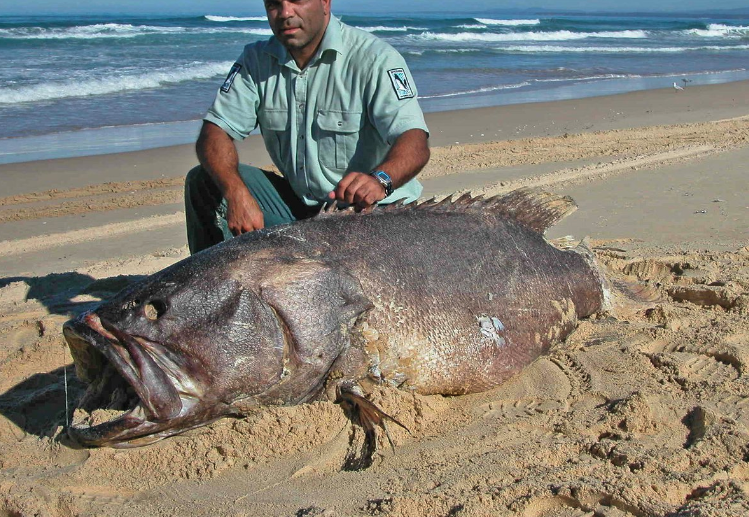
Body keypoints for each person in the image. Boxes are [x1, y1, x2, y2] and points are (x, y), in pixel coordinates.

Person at [184, 0, 430, 254]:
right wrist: (235, 193)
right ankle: (206, 287)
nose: (285, 13)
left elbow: (414, 139)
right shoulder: (255, 61)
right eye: (274, 4)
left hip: (370, 214)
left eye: (297, 1)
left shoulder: (375, 58)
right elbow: (216, 131)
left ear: (325, 3)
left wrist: (380, 180)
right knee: (203, 181)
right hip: (302, 212)